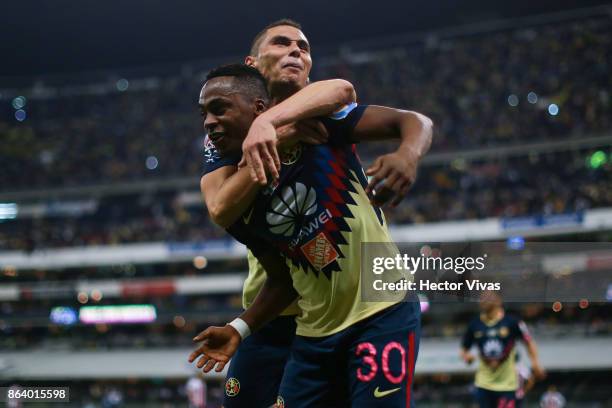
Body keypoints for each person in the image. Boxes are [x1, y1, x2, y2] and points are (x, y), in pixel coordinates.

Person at [194, 19, 431, 408]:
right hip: (287, 309)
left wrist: (407, 155)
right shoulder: (225, 129)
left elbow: (342, 89)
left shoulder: (323, 113)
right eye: (282, 43)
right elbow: (221, 207)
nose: (296, 52)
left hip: (371, 306)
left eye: (303, 47)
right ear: (252, 64)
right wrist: (276, 131)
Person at [460, 292, 545, 408]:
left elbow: (529, 342)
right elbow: (464, 349)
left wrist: (535, 362)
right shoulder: (474, 325)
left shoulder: (512, 322)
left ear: (498, 301)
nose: (484, 300)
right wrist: (467, 357)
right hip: (483, 385)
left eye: (489, 297)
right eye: (482, 298)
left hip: (508, 386)